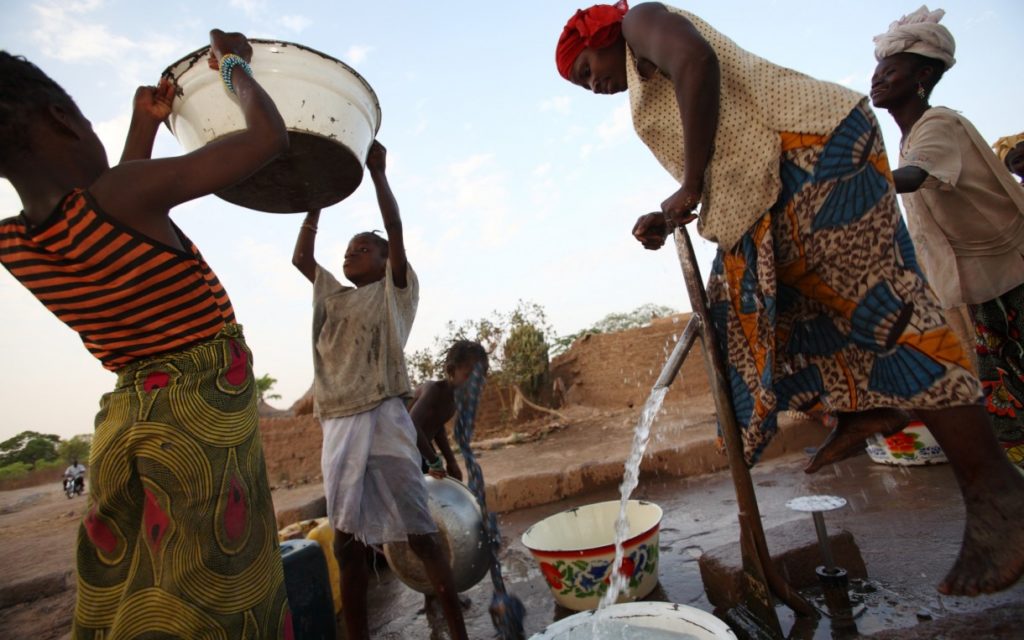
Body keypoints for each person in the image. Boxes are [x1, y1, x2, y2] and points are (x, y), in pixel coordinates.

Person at [554, 1, 1024, 596]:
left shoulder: (639, 21)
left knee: (895, 317)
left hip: (814, 150)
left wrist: (690, 184)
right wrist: (674, 205)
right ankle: (865, 404)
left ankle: (1000, 498)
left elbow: (697, 60)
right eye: (581, 83)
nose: (592, 84)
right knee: (765, 318)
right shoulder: (643, 82)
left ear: (597, 36)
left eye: (585, 69)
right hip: (777, 177)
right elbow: (726, 140)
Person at [0, 31, 292, 638]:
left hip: (129, 418)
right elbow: (268, 139)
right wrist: (233, 64)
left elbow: (112, 202)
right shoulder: (121, 196)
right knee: (218, 579)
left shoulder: (18, 245)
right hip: (197, 414)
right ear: (63, 118)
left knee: (132, 578)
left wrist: (143, 125)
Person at [291, 142, 468, 640]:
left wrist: (378, 174)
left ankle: (459, 632)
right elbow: (301, 255)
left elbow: (394, 229)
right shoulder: (332, 295)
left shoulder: (396, 291)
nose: (351, 253)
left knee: (423, 533)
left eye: (362, 248)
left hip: (388, 414)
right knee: (346, 543)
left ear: (388, 259)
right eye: (347, 249)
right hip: (340, 421)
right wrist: (317, 201)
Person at [871, 6, 1024, 473]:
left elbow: (915, 177)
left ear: (922, 75)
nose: (877, 80)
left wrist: (846, 181)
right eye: (877, 71)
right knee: (1004, 392)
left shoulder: (938, 125)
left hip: (1012, 275)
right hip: (985, 287)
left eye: (889, 71)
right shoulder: (910, 137)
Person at [409, 340, 491, 481]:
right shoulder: (433, 390)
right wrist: (433, 461)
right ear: (451, 371)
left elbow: (437, 427)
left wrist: (450, 460)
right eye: (469, 375)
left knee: (435, 488)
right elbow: (411, 424)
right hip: (401, 446)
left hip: (419, 447)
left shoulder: (454, 399)